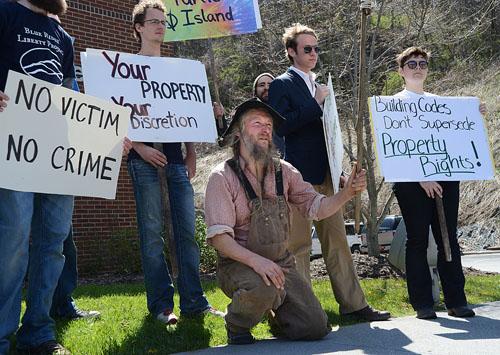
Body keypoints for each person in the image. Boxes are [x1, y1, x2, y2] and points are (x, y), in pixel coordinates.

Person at [205, 98, 368, 344]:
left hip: (282, 264)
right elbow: (219, 239)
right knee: (264, 286)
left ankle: (274, 312)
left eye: (269, 125)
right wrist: (258, 263)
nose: (265, 129)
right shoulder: (222, 177)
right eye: (256, 123)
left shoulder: (285, 171)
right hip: (238, 267)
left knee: (315, 328)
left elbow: (318, 207)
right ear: (237, 133)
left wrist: (347, 194)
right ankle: (237, 324)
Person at [268, 23, 390, 321]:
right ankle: (302, 312)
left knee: (337, 242)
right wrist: (315, 103)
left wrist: (339, 171)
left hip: (327, 176)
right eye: (306, 48)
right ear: (291, 51)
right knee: (298, 246)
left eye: (316, 48)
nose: (313, 53)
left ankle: (354, 306)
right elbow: (280, 126)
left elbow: (330, 134)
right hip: (296, 177)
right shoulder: (282, 84)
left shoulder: (321, 85)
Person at [128, 0, 222, 325]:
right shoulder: (125, 68)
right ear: (138, 27)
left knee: (187, 233)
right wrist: (140, 148)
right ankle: (161, 307)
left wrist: (192, 152)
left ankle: (194, 302)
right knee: (152, 235)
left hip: (176, 162)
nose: (159, 27)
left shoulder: (177, 69)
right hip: (143, 162)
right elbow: (113, 120)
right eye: (153, 21)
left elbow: (186, 117)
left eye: (163, 22)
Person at [0, 0, 76, 353]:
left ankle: (38, 332)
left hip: (57, 153)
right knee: (14, 239)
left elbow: (72, 97)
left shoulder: (63, 36)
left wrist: (105, 135)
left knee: (54, 242)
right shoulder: (4, 12)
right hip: (12, 146)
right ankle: (1, 333)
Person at [392, 46, 484, 319]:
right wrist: (422, 176)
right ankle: (423, 304)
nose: (417, 67)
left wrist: (473, 115)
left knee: (448, 239)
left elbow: (454, 138)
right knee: (417, 239)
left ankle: (456, 300)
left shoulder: (440, 102)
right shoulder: (393, 104)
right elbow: (398, 146)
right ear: (401, 70)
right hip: (410, 181)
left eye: (422, 63)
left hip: (445, 179)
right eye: (411, 64)